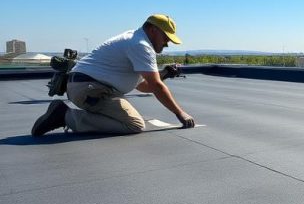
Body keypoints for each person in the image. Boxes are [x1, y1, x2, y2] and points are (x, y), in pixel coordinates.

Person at [31, 14, 196, 137]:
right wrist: (180, 113)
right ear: (153, 30)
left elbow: (144, 86)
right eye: (166, 38)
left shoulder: (134, 39)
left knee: (126, 118)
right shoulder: (141, 45)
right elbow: (156, 86)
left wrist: (165, 74)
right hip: (90, 89)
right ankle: (65, 116)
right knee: (134, 124)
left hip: (86, 87)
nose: (167, 43)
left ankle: (68, 114)